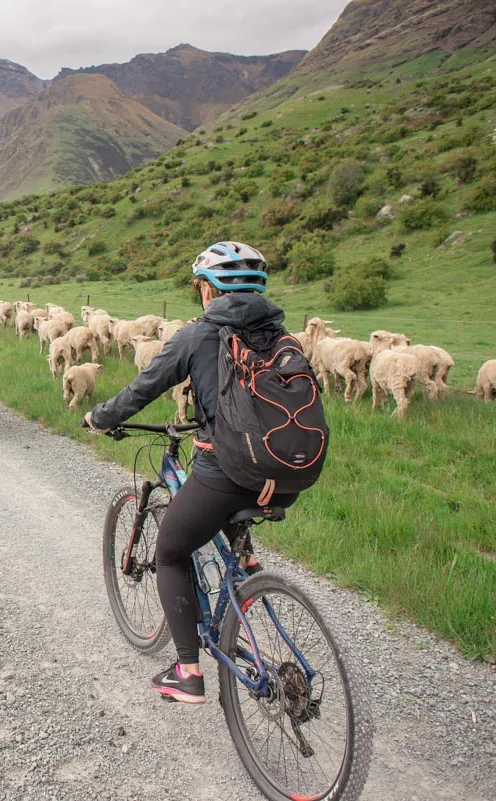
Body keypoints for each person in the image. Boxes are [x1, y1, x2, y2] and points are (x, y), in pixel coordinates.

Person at [84, 241, 301, 705]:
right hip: (287, 474)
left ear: (208, 290)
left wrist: (99, 416)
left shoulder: (198, 335)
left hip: (228, 471)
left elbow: (142, 389)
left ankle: (186, 672)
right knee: (220, 508)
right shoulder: (284, 337)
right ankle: (245, 565)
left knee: (170, 552)